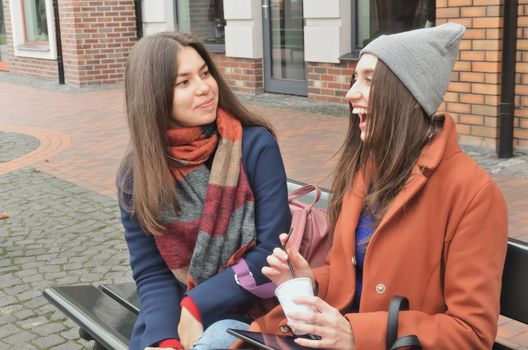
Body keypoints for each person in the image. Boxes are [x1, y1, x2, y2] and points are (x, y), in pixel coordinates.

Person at [247, 22, 508, 349]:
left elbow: (472, 332)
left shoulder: (473, 193)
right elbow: (351, 280)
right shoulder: (367, 167)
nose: (351, 93)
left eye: (369, 80)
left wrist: (358, 334)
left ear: (411, 96)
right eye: (355, 78)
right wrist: (309, 281)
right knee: (219, 335)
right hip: (323, 338)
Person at [116, 32, 291, 350]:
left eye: (204, 73)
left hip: (252, 306)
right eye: (183, 82)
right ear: (153, 96)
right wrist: (165, 339)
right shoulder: (137, 176)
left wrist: (196, 303)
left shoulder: (254, 146)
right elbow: (152, 271)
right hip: (174, 308)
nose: (204, 88)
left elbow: (269, 252)